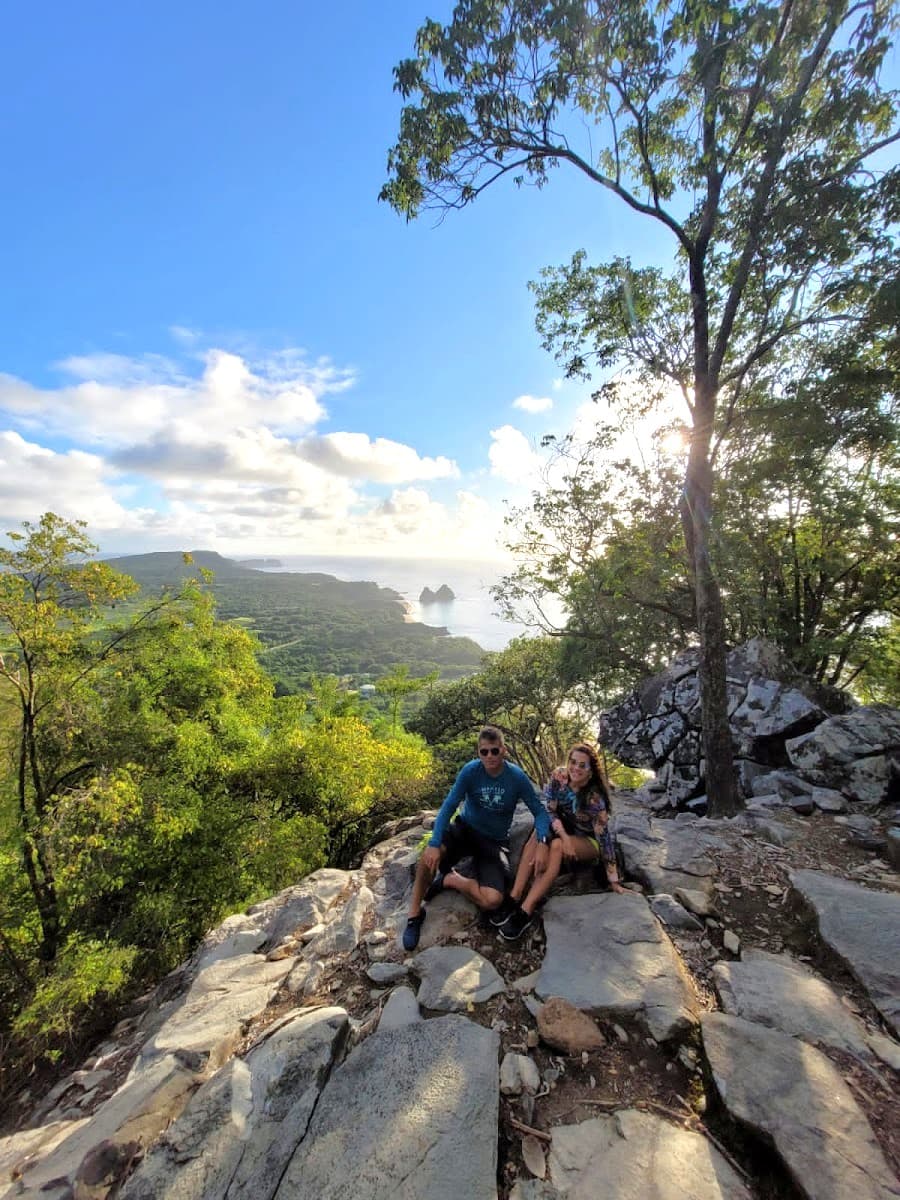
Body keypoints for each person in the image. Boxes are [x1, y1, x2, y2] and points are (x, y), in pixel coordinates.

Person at [402, 725, 551, 951]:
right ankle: (414, 914)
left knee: (493, 900)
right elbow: (449, 806)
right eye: (484, 752)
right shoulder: (471, 771)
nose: (489, 756)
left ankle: (450, 880)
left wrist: (542, 842)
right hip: (465, 829)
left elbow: (539, 812)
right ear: (478, 752)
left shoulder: (516, 777)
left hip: (493, 841)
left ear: (504, 750)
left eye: (494, 751)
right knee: (427, 858)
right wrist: (433, 843)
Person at [492, 742, 626, 941]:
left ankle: (526, 910)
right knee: (537, 837)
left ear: (591, 771)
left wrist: (613, 880)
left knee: (556, 847)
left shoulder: (594, 799)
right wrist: (557, 837)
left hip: (588, 842)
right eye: (573, 762)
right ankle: (514, 896)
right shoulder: (559, 778)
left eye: (583, 765)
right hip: (563, 830)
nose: (576, 768)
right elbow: (549, 809)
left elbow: (604, 839)